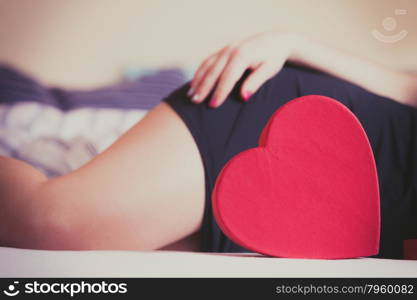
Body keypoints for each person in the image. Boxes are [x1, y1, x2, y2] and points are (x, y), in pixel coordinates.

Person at [0, 31, 416, 258]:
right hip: (315, 130)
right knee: (52, 224)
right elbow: (406, 87)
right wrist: (293, 43)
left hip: (350, 230)